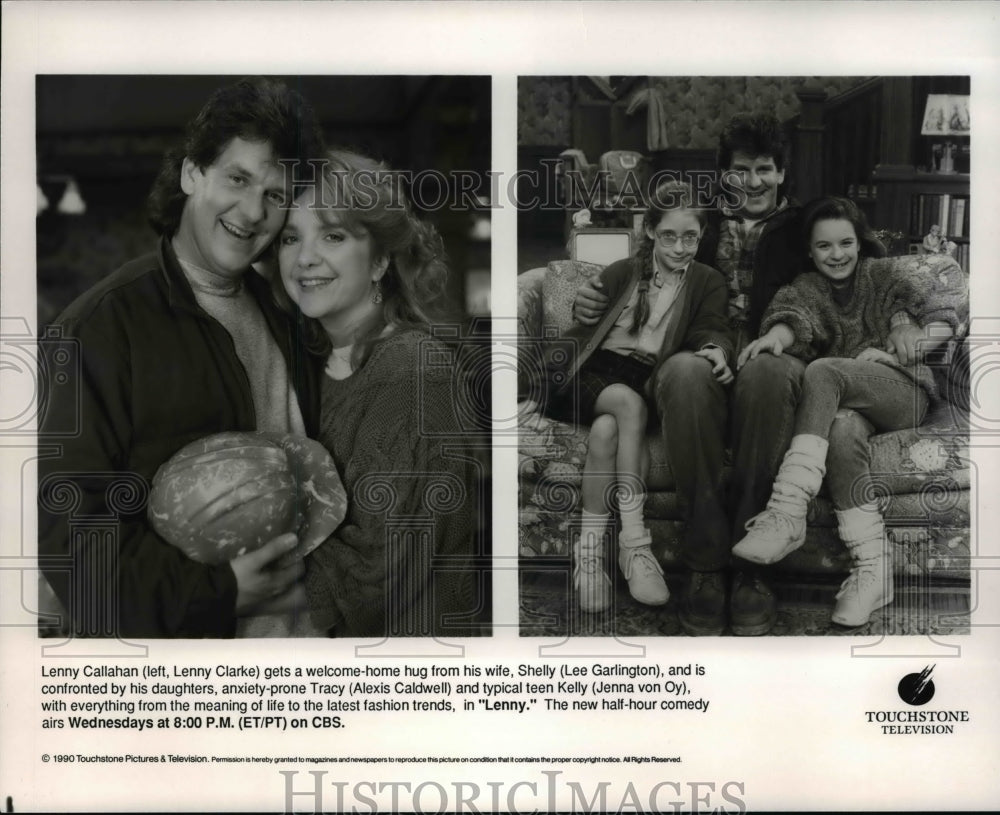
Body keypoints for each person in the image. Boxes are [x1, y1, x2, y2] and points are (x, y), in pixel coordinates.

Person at [38, 78, 325, 638]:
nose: (251, 211)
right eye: (237, 179)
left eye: (274, 194)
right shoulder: (99, 327)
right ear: (193, 172)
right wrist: (220, 594)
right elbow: (69, 536)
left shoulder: (287, 316)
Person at [275, 149, 483, 637]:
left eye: (333, 235)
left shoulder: (413, 369)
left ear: (380, 260)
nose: (304, 257)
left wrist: (225, 590)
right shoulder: (308, 362)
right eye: (289, 237)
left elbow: (375, 577)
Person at [732, 197, 968, 626]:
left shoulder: (883, 274)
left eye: (845, 243)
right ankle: (871, 568)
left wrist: (912, 345)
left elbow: (942, 315)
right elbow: (792, 317)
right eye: (824, 246)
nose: (836, 254)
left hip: (902, 392)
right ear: (809, 249)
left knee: (822, 372)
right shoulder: (807, 288)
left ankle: (787, 508)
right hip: (848, 404)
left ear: (860, 243)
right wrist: (776, 339)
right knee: (840, 430)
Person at [547, 181, 733, 626]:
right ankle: (635, 544)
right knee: (628, 407)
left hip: (637, 379)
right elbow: (585, 318)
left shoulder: (707, 281)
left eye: (691, 237)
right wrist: (579, 305)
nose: (681, 246)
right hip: (585, 371)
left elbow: (713, 325)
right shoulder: (622, 271)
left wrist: (715, 349)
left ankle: (589, 555)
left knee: (608, 429)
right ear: (650, 231)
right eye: (669, 235)